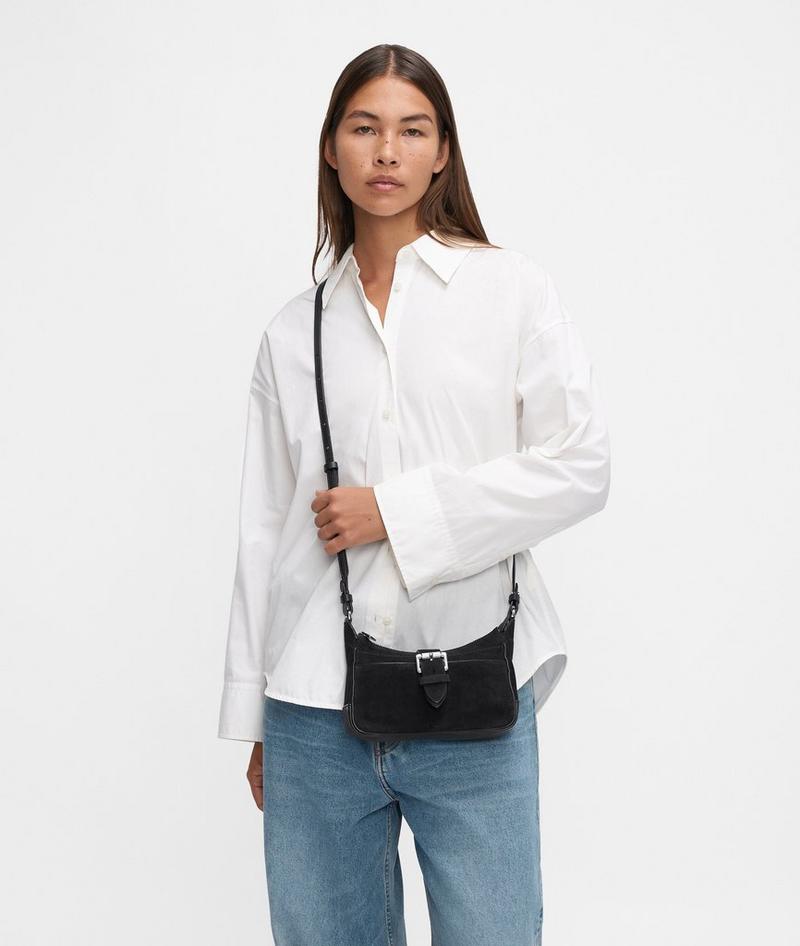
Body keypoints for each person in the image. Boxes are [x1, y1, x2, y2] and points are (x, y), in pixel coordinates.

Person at [217, 43, 611, 946]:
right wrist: (256, 716)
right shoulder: (295, 333)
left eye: (412, 130)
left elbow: (581, 463)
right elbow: (264, 532)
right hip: (314, 711)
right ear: (332, 149)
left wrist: (396, 514)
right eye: (365, 128)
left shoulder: (511, 291)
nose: (387, 151)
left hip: (477, 693)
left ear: (442, 153)